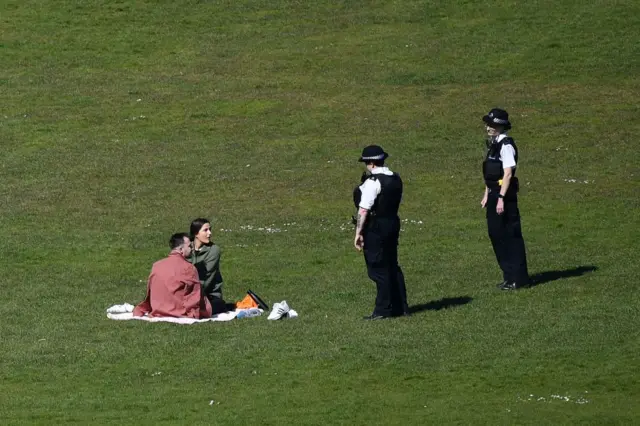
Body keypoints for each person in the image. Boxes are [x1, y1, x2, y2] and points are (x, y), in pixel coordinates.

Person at [353, 145, 409, 320]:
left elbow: (364, 210)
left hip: (376, 227)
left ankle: (383, 309)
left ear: (370, 163)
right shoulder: (395, 178)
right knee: (392, 264)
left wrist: (358, 233)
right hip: (393, 223)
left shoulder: (373, 182)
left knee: (377, 268)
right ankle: (401, 306)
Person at [481, 108, 530, 290]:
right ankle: (508, 276)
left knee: (510, 235)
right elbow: (491, 173)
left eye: (492, 125)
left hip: (505, 196)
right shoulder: (494, 144)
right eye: (488, 124)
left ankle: (518, 278)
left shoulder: (506, 145)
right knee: (496, 234)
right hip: (495, 194)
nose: (488, 127)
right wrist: (487, 194)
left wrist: (501, 197)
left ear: (501, 126)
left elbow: (507, 174)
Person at [133, 233, 212, 318]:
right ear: (181, 249)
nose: (192, 249)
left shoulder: (156, 265)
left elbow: (149, 293)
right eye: (189, 246)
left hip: (157, 310)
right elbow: (194, 297)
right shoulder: (188, 268)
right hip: (178, 311)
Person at [187, 218, 230, 314]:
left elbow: (206, 278)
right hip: (186, 293)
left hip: (208, 295)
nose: (209, 233)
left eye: (210, 229)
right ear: (196, 233)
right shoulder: (186, 248)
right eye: (205, 230)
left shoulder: (213, 250)